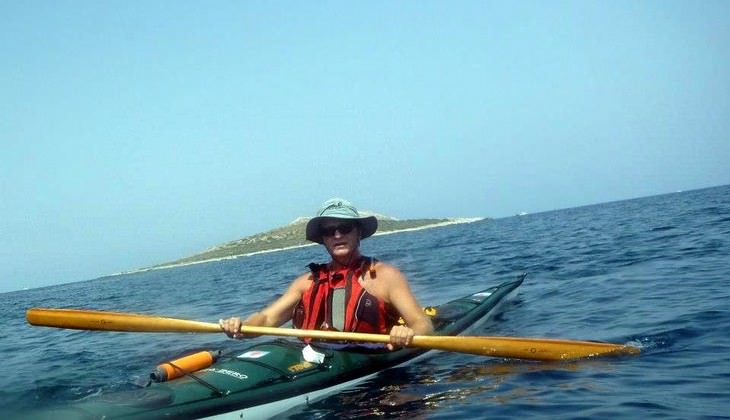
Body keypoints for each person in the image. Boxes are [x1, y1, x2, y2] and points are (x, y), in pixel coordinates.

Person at [220, 198, 433, 350]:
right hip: (314, 359)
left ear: (358, 232)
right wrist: (241, 327)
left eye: (345, 227)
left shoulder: (386, 276)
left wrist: (407, 332)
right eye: (329, 231)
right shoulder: (305, 283)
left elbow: (422, 324)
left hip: (372, 361)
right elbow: (267, 319)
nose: (338, 235)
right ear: (323, 239)